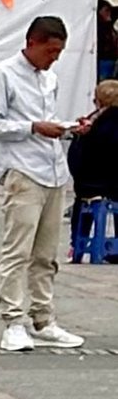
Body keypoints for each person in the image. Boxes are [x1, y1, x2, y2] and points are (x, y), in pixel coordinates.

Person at [0, 12, 83, 353]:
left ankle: (43, 318)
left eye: (59, 52)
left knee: (46, 253)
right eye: (50, 50)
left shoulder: (48, 79)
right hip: (22, 171)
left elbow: (46, 119)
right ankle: (13, 320)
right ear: (32, 43)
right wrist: (33, 127)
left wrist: (66, 126)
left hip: (53, 168)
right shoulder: (3, 74)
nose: (54, 58)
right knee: (17, 250)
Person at [68, 78, 118, 262]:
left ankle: (76, 243)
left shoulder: (95, 119)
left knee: (80, 203)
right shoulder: (104, 120)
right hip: (106, 180)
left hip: (90, 180)